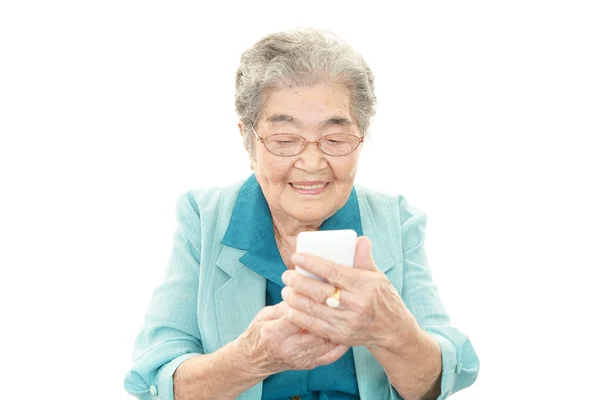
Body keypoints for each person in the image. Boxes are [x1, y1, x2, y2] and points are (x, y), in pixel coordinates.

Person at [123, 28, 479, 400]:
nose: (311, 163)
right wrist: (251, 358)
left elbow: (442, 379)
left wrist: (391, 331)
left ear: (361, 138)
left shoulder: (396, 219)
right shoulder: (202, 216)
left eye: (335, 140)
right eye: (285, 140)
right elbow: (155, 381)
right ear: (249, 141)